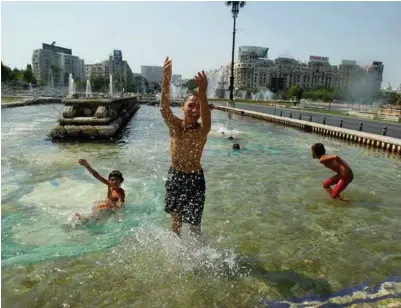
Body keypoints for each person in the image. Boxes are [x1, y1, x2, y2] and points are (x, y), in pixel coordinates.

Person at [160, 57, 211, 236]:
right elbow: (164, 109)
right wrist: (166, 80)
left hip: (195, 178)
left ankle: (198, 255)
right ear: (182, 107)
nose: (195, 110)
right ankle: (176, 259)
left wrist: (202, 92)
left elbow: (206, 115)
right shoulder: (175, 126)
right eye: (191, 105)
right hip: (176, 176)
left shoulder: (202, 130)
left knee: (195, 224)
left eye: (198, 107)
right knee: (176, 221)